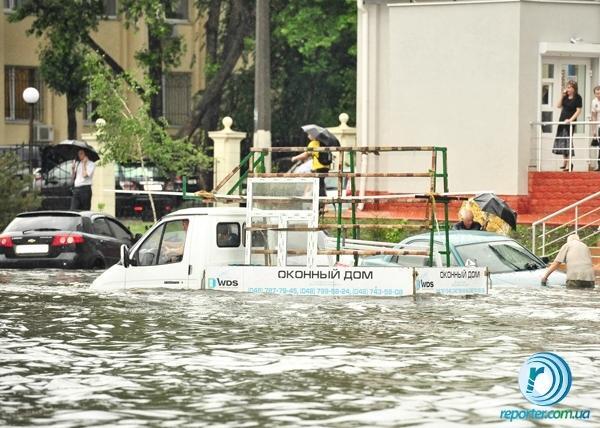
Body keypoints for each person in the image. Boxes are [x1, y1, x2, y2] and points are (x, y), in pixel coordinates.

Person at [553, 80, 582, 172]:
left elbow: (578, 111)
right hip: (562, 120)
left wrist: (571, 120)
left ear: (574, 88)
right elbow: (558, 106)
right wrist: (562, 95)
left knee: (568, 141)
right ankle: (565, 163)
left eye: (569, 87)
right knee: (562, 141)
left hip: (570, 122)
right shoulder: (565, 97)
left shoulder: (578, 98)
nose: (567, 89)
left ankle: (569, 164)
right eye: (567, 87)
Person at [292, 134, 329, 202]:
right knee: (321, 184)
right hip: (326, 166)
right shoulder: (323, 143)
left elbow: (305, 155)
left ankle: (322, 203)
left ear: (314, 136)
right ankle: (322, 203)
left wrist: (295, 158)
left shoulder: (313, 143)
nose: (308, 135)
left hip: (318, 166)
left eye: (309, 134)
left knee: (319, 185)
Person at [591, 85, 600, 171]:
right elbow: (593, 116)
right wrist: (594, 130)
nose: (598, 95)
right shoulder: (594, 102)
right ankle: (599, 166)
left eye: (599, 93)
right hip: (599, 126)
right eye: (597, 93)